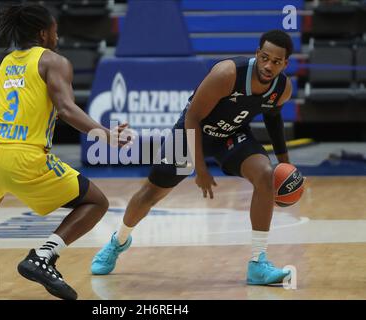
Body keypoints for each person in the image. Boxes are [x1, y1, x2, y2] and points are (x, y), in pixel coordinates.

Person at [0, 4, 129, 300]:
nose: (57, 34)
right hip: (24, 155)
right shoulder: (54, 61)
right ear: (43, 33)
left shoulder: (6, 62)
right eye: (54, 29)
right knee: (96, 202)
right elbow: (67, 109)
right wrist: (105, 135)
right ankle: (43, 257)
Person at [92, 30, 298, 285]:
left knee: (266, 175)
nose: (268, 66)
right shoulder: (228, 74)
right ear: (257, 54)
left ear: (285, 64)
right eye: (265, 58)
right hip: (192, 132)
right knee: (150, 194)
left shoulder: (282, 88)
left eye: (276, 62)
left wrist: (285, 162)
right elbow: (193, 117)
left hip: (230, 135)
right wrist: (200, 169)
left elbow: (273, 118)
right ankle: (118, 241)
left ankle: (258, 263)